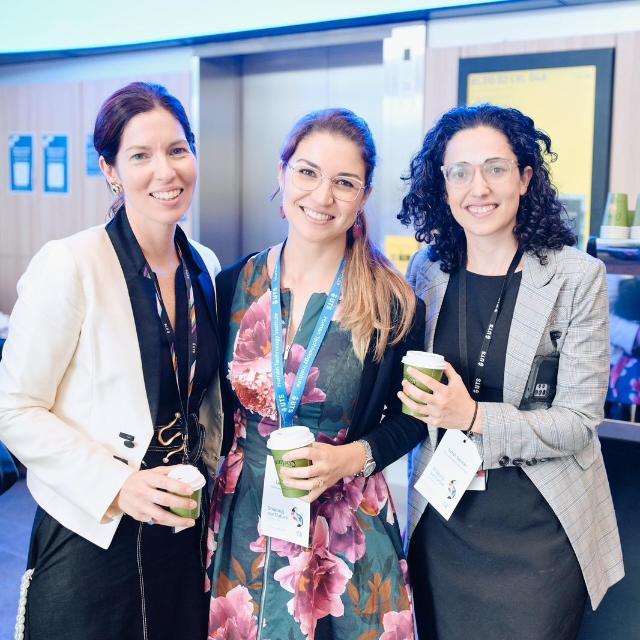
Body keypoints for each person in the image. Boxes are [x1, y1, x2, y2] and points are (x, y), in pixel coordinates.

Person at [0, 82, 223, 640]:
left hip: (180, 525)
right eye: (140, 156)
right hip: (94, 528)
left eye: (177, 150)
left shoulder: (205, 266)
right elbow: (15, 408)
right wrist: (118, 486)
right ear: (111, 170)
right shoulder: (70, 263)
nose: (165, 172)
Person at [398, 103, 624, 640]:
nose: (478, 187)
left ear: (524, 177)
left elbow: (578, 421)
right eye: (460, 172)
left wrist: (473, 415)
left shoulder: (577, 276)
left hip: (537, 532)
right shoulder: (427, 270)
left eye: (495, 168)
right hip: (443, 521)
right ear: (443, 185)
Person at [206, 108, 425, 640]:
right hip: (245, 513)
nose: (322, 197)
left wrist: (353, 458)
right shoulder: (234, 284)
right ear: (282, 174)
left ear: (364, 195)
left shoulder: (391, 302)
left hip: (346, 523)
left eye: (344, 182)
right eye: (307, 172)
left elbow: (414, 419)